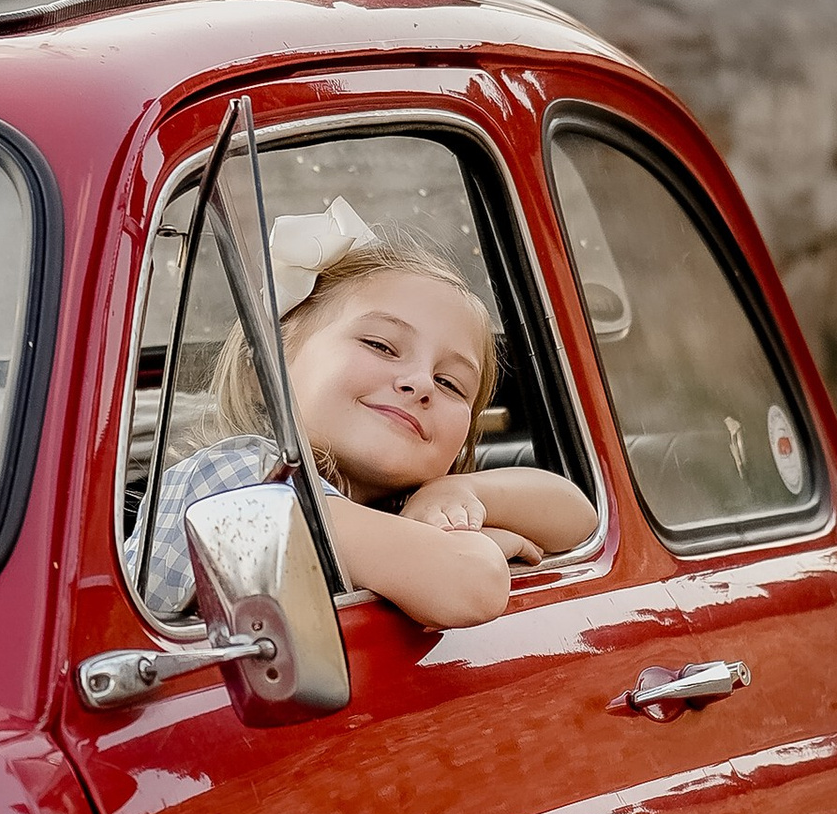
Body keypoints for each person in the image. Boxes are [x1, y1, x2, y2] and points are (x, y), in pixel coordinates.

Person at [146, 216, 594, 632]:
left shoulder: (394, 508)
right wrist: (481, 543)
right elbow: (472, 585)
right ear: (268, 366)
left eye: (450, 383)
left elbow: (578, 517)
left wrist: (461, 492)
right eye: (380, 345)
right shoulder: (241, 479)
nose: (421, 383)